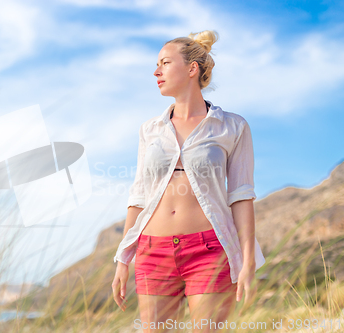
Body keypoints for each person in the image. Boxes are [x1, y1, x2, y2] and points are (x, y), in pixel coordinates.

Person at [111, 30, 266, 333]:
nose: (156, 71)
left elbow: (241, 195)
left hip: (208, 249)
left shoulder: (231, 126)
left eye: (165, 63)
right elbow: (139, 196)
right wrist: (122, 259)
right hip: (151, 250)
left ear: (192, 69)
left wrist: (247, 261)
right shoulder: (150, 130)